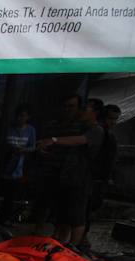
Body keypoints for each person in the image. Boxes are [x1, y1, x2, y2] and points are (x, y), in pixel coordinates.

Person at [35, 94, 102, 245]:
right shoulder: (58, 125)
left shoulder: (92, 130)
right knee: (61, 214)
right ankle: (59, 243)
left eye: (84, 108)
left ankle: (72, 249)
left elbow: (79, 141)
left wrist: (54, 141)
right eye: (66, 106)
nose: (69, 110)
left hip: (78, 179)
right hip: (60, 177)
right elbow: (42, 142)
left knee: (76, 216)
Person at [82, 104, 121, 246]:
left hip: (98, 180)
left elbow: (110, 161)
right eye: (111, 118)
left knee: (89, 209)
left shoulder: (109, 136)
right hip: (90, 178)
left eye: (115, 119)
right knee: (84, 211)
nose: (113, 122)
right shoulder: (99, 133)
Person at [0, 104, 36, 224]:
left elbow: (32, 147)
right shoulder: (8, 128)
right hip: (4, 163)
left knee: (11, 193)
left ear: (28, 117)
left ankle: (5, 217)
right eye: (19, 116)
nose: (20, 119)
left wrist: (23, 150)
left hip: (18, 166)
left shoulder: (30, 130)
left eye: (23, 116)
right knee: (0, 190)